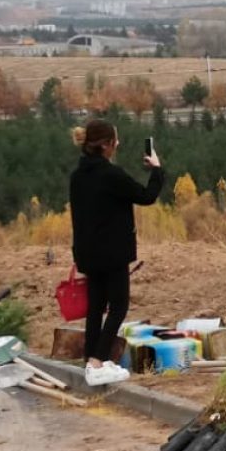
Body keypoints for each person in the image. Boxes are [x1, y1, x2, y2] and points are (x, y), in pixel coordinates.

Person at [69, 119, 165, 386]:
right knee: (119, 306)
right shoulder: (111, 174)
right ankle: (98, 362)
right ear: (107, 145)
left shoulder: (77, 176)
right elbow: (146, 196)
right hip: (112, 252)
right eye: (116, 140)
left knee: (96, 307)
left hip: (87, 253)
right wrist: (157, 170)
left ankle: (91, 359)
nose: (118, 144)